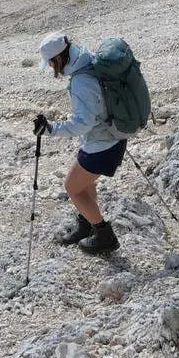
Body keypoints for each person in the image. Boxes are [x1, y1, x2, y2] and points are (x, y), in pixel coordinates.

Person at [33, 30, 123, 255]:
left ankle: (104, 236)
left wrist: (52, 128)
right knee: (84, 182)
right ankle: (86, 225)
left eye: (52, 64)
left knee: (72, 187)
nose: (54, 70)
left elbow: (83, 123)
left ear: (59, 58)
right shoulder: (89, 60)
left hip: (102, 144)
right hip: (112, 136)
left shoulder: (81, 81)